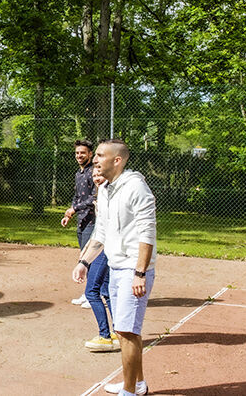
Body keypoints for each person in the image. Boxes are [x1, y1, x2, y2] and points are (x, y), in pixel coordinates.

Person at [71, 139, 157, 396]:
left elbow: (147, 234)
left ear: (117, 160)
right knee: (125, 330)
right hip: (117, 266)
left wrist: (140, 273)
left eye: (99, 155)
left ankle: (129, 391)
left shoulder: (136, 188)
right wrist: (84, 261)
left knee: (127, 331)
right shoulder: (106, 189)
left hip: (133, 269)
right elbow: (101, 233)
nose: (94, 160)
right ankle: (137, 383)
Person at [61, 139, 116, 352]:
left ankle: (108, 333)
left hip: (96, 229)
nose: (79, 155)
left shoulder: (106, 192)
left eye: (83, 152)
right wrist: (71, 211)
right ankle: (115, 332)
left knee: (97, 288)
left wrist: (74, 209)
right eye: (77, 152)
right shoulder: (81, 175)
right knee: (103, 287)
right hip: (86, 221)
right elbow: (79, 197)